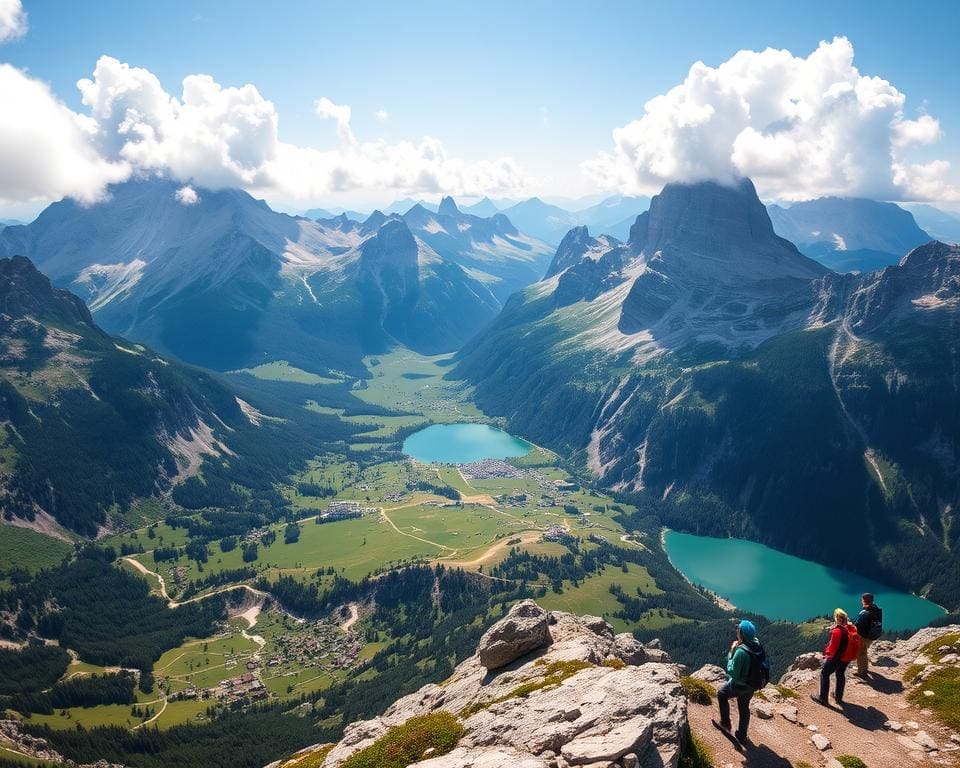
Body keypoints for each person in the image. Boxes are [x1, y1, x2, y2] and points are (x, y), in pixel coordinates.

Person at [714, 619, 765, 744]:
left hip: (740, 685)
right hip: (753, 684)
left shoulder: (741, 652)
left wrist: (731, 652)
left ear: (741, 633)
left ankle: (725, 724)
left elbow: (732, 671)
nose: (736, 629)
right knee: (744, 706)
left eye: (738, 628)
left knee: (722, 693)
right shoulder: (756, 644)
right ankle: (742, 735)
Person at [811, 608, 860, 706]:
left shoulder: (837, 631)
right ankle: (838, 696)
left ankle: (823, 699)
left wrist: (826, 656)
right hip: (847, 658)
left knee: (825, 674)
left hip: (837, 658)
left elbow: (833, 648)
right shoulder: (850, 628)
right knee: (840, 673)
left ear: (837, 618)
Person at [854, 593, 883, 678]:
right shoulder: (876, 609)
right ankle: (865, 668)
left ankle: (861, 673)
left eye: (862, 600)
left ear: (863, 600)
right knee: (864, 652)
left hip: (864, 636)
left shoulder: (864, 613)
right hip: (872, 635)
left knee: (860, 654)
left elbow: (858, 626)